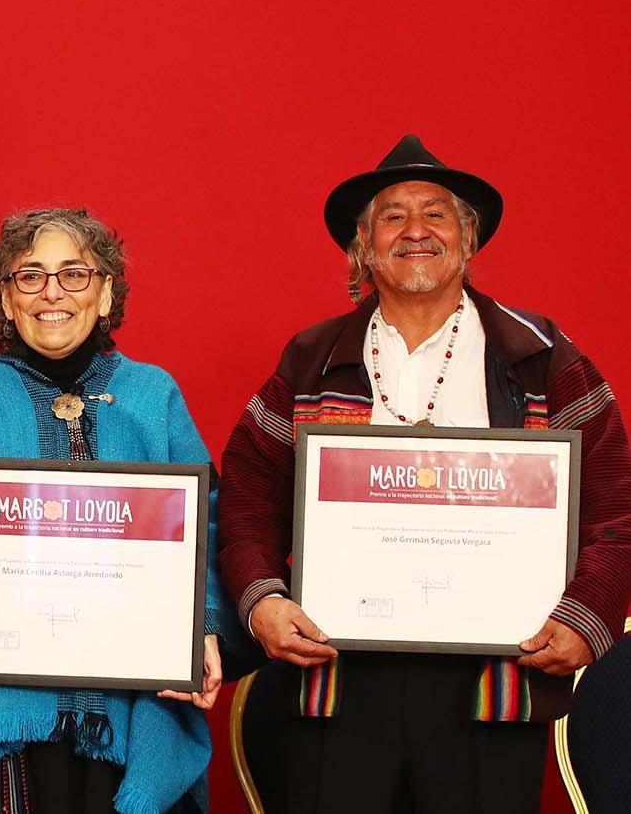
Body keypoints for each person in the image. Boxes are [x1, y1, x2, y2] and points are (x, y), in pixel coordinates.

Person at [217, 135, 631, 814]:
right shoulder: (310, 358)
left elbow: (615, 500)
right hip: (339, 684)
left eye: (436, 214)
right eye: (392, 215)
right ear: (362, 245)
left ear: (468, 240)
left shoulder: (540, 357)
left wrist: (582, 618)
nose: (415, 230)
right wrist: (261, 599)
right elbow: (247, 495)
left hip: (492, 689)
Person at [0, 208, 226, 814]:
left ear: (105, 295)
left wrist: (204, 625)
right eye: (30, 276)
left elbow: (203, 527)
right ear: (6, 297)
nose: (52, 293)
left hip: (131, 699)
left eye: (75, 274)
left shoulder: (154, 396)